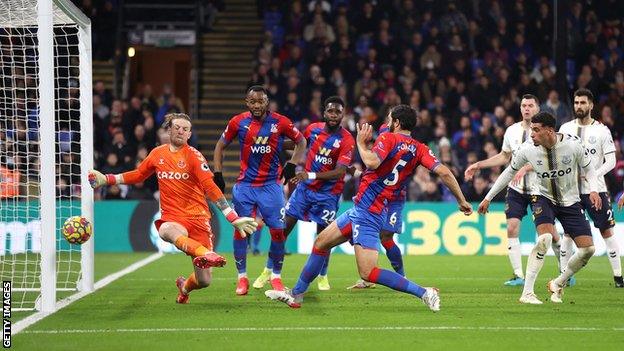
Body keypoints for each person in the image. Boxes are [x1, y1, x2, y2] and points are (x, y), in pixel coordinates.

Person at [264, 105, 473, 310]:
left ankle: (425, 293)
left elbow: (372, 162)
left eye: (390, 119)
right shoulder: (420, 148)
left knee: (368, 272)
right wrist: (461, 200)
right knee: (321, 243)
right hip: (362, 208)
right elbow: (444, 172)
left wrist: (361, 144)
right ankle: (296, 295)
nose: (387, 122)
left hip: (368, 212)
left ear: (397, 123)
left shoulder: (389, 138)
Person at [88, 113, 258, 304]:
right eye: (177, 127)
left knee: (204, 280)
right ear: (169, 130)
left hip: (198, 218)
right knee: (166, 229)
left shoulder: (194, 156)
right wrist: (108, 179)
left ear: (189, 134)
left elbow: (211, 187)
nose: (180, 131)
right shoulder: (157, 154)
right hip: (174, 217)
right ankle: (204, 253)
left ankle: (184, 287)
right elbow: (139, 174)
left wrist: (232, 218)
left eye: (185, 129)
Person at [478, 111, 601, 304]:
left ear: (550, 130)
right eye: (531, 130)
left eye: (536, 130)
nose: (531, 134)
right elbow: (508, 172)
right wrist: (488, 197)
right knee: (544, 238)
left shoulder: (573, 144)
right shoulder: (527, 149)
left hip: (571, 201)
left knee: (588, 250)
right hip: (543, 197)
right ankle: (527, 293)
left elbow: (590, 169)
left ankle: (558, 282)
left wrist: (593, 190)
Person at [252, 96, 355, 291]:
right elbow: (298, 144)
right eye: (330, 111)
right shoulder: (313, 129)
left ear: (343, 114)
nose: (333, 115)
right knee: (282, 231)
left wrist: (310, 174)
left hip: (328, 195)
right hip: (304, 191)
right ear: (324, 112)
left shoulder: (347, 140)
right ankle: (268, 270)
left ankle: (323, 276)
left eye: (338, 112)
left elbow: (341, 172)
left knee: (323, 239)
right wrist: (271, 142)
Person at [213, 86, 307, 295]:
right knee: (241, 230)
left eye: (260, 101)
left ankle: (276, 277)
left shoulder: (280, 122)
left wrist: (293, 163)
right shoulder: (238, 122)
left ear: (267, 102)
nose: (257, 105)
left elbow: (301, 141)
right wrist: (217, 173)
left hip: (271, 186)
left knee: (277, 232)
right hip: (245, 186)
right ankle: (242, 278)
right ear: (247, 102)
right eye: (252, 101)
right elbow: (220, 146)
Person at [465, 94, 548, 286]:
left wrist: (525, 168)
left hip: (540, 188)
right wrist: (478, 165)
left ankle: (564, 272)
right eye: (523, 105)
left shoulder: (545, 130)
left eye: (530, 105)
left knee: (549, 234)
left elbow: (547, 159)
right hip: (516, 188)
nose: (526, 109)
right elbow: (504, 157)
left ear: (537, 108)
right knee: (511, 227)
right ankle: (519, 275)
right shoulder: (511, 131)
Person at [557, 89, 622, 288]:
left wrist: (594, 175)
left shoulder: (602, 131)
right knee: (568, 234)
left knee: (607, 231)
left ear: (591, 105)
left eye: (583, 103)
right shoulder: (565, 128)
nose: (579, 106)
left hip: (597, 190)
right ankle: (563, 276)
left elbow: (611, 161)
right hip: (571, 192)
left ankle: (618, 276)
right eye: (576, 103)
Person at [347, 119, 411, 290]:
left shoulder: (407, 142)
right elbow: (377, 164)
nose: (389, 121)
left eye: (392, 118)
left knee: (386, 237)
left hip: (395, 197)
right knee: (364, 232)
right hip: (375, 195)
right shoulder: (384, 132)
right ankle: (368, 277)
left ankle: (401, 277)